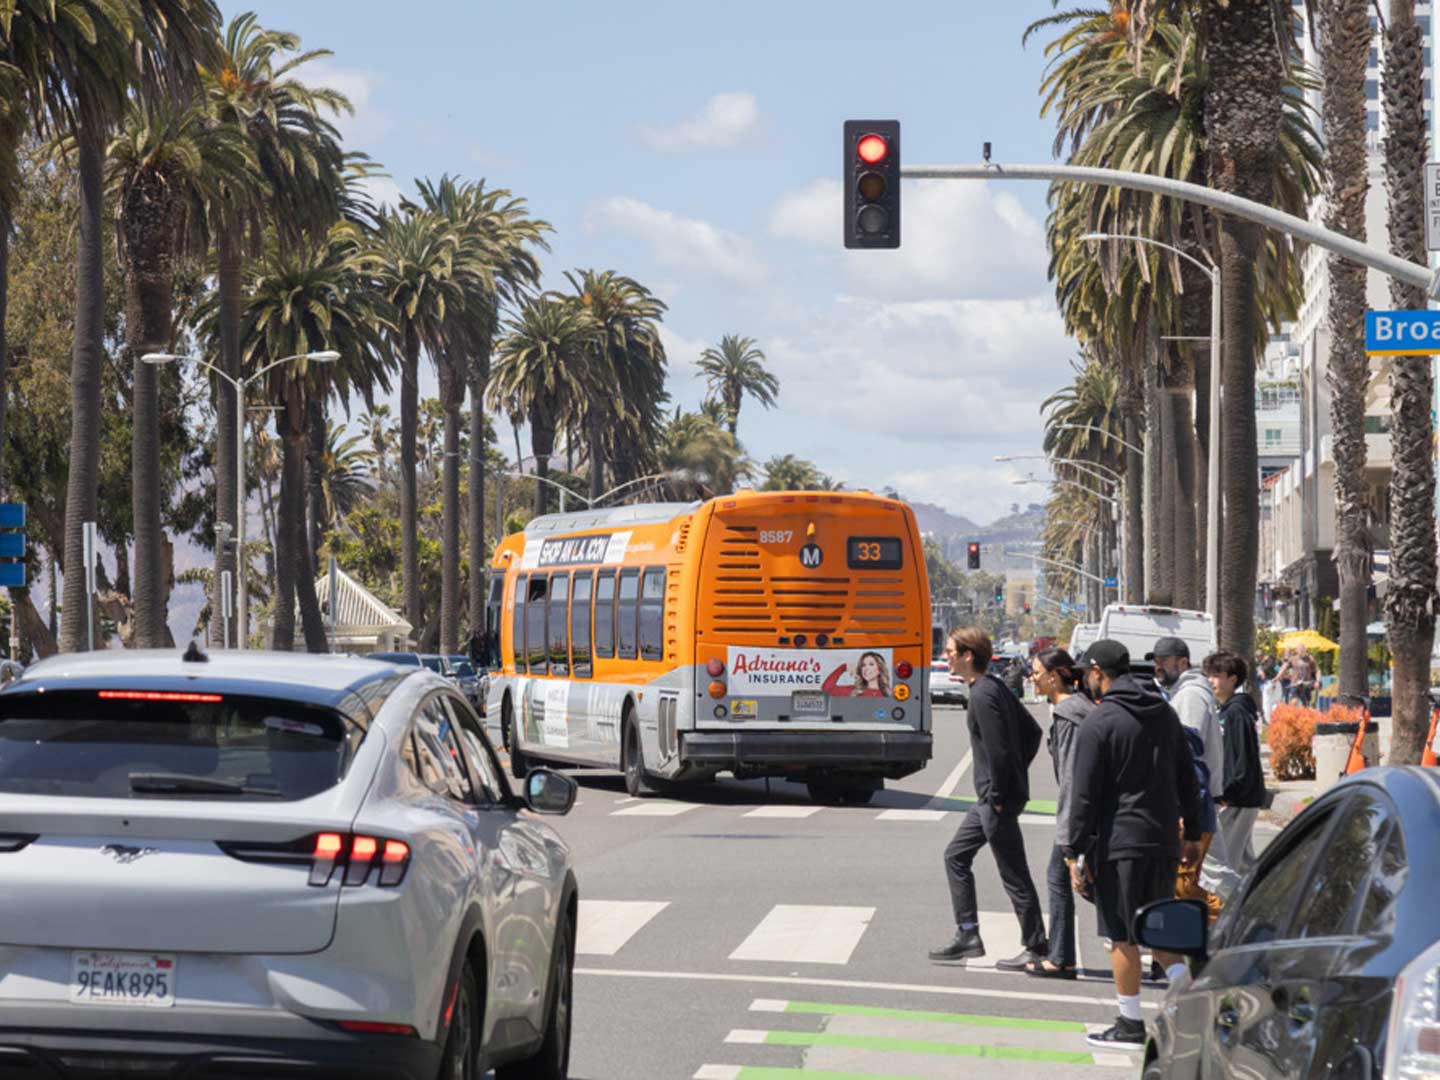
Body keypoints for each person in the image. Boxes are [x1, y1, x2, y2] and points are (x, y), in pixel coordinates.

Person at [1066, 640, 1204, 1049]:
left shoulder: (1100, 720)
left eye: (1086, 674)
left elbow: (1085, 795)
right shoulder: (1163, 712)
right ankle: (1192, 1005)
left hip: (1119, 842)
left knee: (1122, 934)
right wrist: (1193, 834)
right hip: (1161, 839)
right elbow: (1188, 778)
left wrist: (1075, 851)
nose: (1085, 682)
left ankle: (1129, 1023)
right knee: (1158, 930)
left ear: (1098, 672)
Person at [930, 626, 1047, 971]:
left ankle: (1037, 945)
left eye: (951, 651)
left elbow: (999, 750)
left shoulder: (983, 693)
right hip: (990, 800)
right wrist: (1011, 780)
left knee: (1013, 873)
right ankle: (968, 935)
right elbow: (1032, 732)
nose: (946, 656)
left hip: (995, 801)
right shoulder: (992, 686)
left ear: (969, 655)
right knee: (955, 856)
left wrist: (1000, 793)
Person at [1027, 647, 1093, 979]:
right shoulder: (1078, 707)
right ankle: (1061, 954)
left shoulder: (1068, 713)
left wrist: (1068, 835)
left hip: (1082, 813)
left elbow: (1070, 777)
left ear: (1054, 677)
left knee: (1072, 879)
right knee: (1073, 880)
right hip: (1087, 810)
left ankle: (1061, 957)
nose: (1032, 679)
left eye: (1037, 673)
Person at [1201, 651, 1265, 901]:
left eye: (1217, 676)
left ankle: (1239, 913)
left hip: (1238, 799)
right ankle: (1266, 903)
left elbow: (1241, 760)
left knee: (1223, 863)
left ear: (1232, 679)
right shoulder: (1230, 710)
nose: (1211, 681)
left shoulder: (1236, 713)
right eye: (1209, 675)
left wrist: (1226, 793)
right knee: (1245, 863)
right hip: (1241, 797)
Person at [821, 652, 891, 697]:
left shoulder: (888, 693)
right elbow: (826, 690)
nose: (866, 668)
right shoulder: (854, 691)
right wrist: (844, 667)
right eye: (863, 665)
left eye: (871, 664)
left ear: (880, 668)